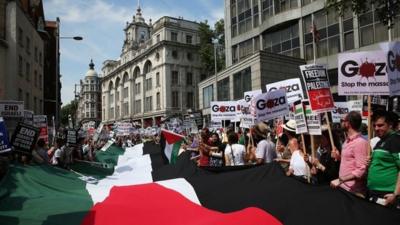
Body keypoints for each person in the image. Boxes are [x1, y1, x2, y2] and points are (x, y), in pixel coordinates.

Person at [330, 111, 369, 196]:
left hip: (353, 191)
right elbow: (349, 161)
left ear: (348, 123)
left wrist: (341, 180)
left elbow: (362, 169)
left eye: (342, 120)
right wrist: (339, 157)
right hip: (343, 188)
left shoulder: (360, 143)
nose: (341, 123)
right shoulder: (347, 141)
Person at [367, 110, 400, 208]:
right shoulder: (380, 141)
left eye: (380, 125)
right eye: (375, 126)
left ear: (390, 125)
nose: (376, 128)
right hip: (374, 193)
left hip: (387, 195)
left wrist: (396, 194)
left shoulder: (396, 140)